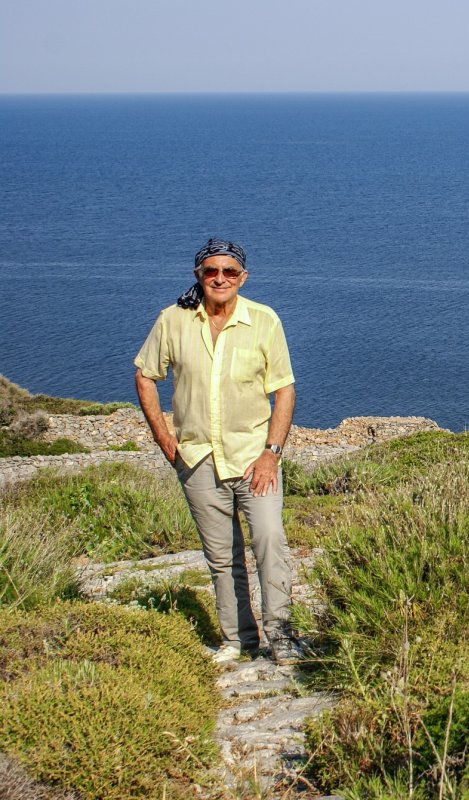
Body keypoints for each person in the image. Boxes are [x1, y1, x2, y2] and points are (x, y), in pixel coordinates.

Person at [134, 238, 303, 665]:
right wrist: (163, 436)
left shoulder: (263, 320)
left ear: (243, 277)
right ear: (199, 276)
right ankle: (238, 639)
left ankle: (281, 635)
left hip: (254, 457)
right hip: (196, 459)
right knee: (221, 556)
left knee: (269, 541)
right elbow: (145, 374)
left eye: (229, 271)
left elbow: (284, 390)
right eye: (212, 271)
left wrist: (272, 453)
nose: (220, 278)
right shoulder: (173, 320)